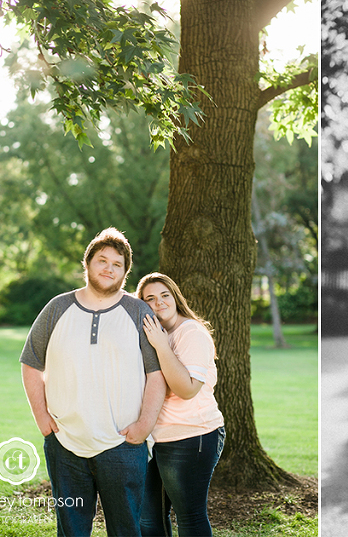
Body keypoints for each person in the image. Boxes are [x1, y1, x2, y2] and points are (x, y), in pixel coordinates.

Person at [20, 227, 166, 536]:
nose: (109, 269)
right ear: (87, 263)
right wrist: (42, 418)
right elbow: (31, 363)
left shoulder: (138, 312)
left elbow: (156, 373)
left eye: (117, 264)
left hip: (123, 443)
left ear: (125, 273)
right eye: (102, 260)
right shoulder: (57, 308)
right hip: (64, 442)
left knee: (126, 530)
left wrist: (144, 425)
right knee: (71, 531)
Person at [136, 272, 226, 537]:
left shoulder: (191, 333)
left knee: (190, 518)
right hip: (153, 439)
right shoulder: (149, 334)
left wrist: (161, 346)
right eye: (150, 298)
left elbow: (187, 389)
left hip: (191, 436)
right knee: (148, 518)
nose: (159, 302)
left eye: (165, 295)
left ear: (175, 297)